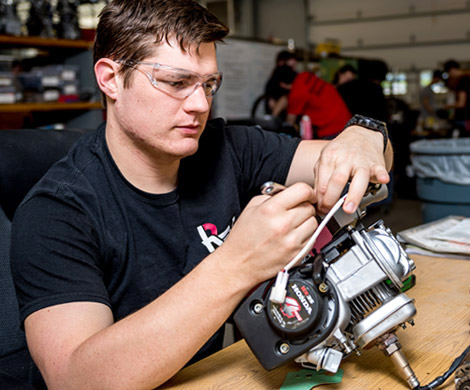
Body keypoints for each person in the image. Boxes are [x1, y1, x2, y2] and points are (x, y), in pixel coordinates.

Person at [10, 1, 393, 389]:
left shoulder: (226, 148)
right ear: (110, 79)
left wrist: (364, 136)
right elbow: (77, 381)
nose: (200, 105)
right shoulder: (56, 212)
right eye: (176, 82)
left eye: (209, 84)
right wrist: (238, 264)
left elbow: (357, 164)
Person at [286, 70, 352, 139]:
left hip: (332, 129)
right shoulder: (305, 75)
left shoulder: (296, 93)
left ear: (283, 85)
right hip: (346, 120)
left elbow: (290, 121)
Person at [263, 50, 298, 119]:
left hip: (290, 102)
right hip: (278, 101)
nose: (294, 61)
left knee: (284, 99)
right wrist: (270, 98)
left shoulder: (292, 73)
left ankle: (273, 119)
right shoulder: (280, 71)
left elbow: (297, 87)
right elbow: (271, 85)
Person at [443, 59, 470, 135]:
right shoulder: (467, 78)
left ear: (452, 70)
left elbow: (461, 103)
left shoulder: (462, 81)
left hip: (465, 119)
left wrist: (449, 106)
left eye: (448, 73)